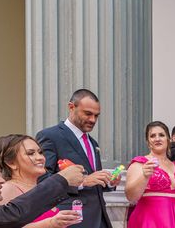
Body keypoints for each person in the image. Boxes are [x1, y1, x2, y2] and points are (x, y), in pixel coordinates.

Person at [36, 89, 120, 228]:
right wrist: (83, 182)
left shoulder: (93, 144)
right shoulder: (50, 136)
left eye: (96, 116)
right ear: (71, 107)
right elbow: (42, 179)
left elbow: (93, 184)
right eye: (88, 114)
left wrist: (109, 182)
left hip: (100, 219)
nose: (93, 120)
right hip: (71, 219)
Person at [0, 134, 82, 226]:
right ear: (11, 163)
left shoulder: (41, 189)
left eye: (40, 152)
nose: (40, 158)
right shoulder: (6, 190)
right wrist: (50, 224)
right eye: (31, 153)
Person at [125, 121, 175, 227]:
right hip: (148, 219)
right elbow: (131, 197)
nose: (157, 139)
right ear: (148, 142)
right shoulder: (140, 163)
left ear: (168, 139)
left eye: (161, 135)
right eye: (153, 136)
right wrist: (144, 176)